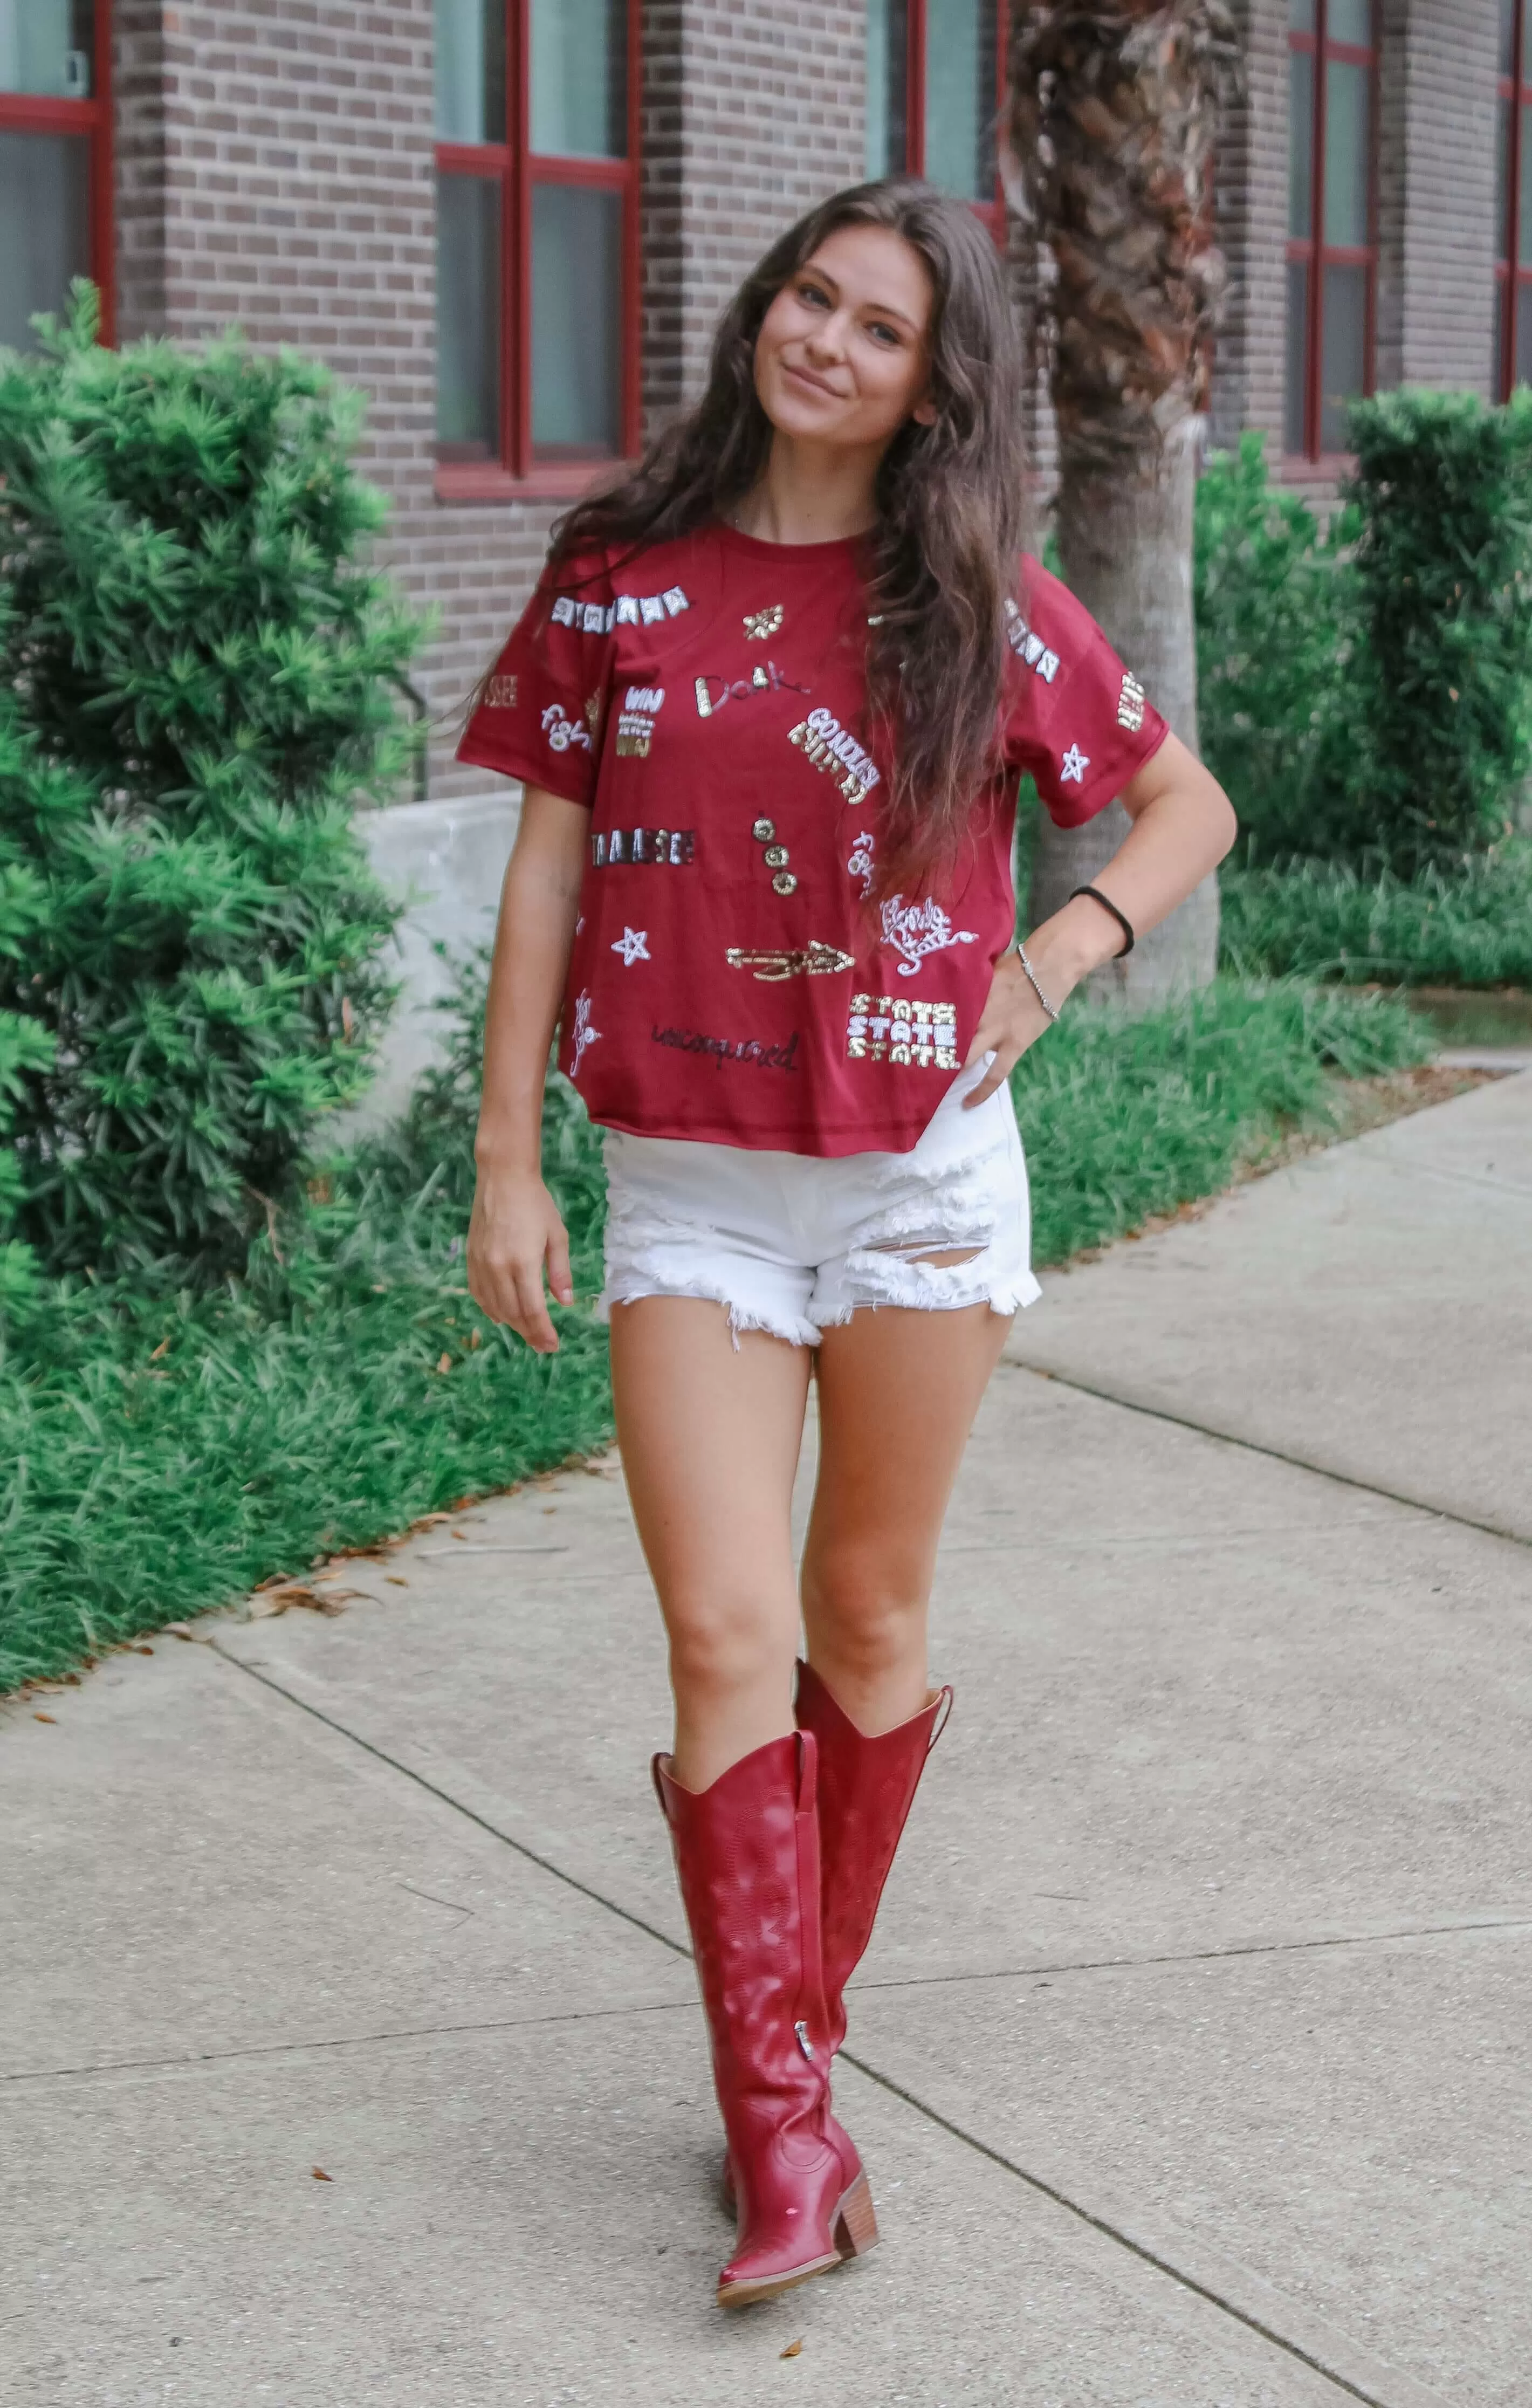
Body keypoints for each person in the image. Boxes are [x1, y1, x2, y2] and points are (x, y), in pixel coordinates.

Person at [458, 176, 1235, 2311]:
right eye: (807, 295)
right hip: (689, 1182)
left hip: (913, 1179)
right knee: (725, 1637)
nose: (819, 340)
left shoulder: (971, 602)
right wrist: (504, 1159)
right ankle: (788, 2147)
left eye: (875, 327)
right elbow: (539, 880)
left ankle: (778, 2053)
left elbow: (1184, 809)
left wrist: (1057, 952)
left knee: (862, 1619)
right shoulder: (615, 569)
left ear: (928, 385)